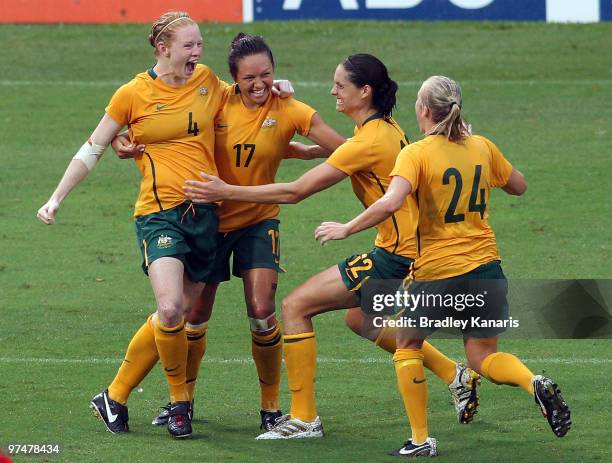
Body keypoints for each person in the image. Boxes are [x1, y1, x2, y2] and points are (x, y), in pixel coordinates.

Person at [184, 54, 481, 440]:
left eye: (340, 86)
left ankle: (305, 419)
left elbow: (294, 191)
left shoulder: (370, 141)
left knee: (295, 307)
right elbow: (334, 151)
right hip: (408, 249)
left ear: (365, 91)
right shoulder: (384, 129)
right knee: (361, 319)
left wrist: (226, 190)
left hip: (398, 256)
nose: (333, 91)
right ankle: (454, 374)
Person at [36, 12, 284, 439]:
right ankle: (180, 404)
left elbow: (246, 99)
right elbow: (92, 147)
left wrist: (278, 88)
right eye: (189, 45)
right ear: (163, 48)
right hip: (158, 214)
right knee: (170, 307)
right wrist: (56, 198)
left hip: (205, 216)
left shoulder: (207, 81)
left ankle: (113, 397)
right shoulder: (132, 93)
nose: (197, 52)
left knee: (181, 314)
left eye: (200, 44)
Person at [314, 75, 571, 456]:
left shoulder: (416, 154)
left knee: (406, 346)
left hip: (435, 271)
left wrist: (347, 227)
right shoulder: (482, 147)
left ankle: (419, 439)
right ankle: (532, 380)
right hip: (486, 267)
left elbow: (389, 203)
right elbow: (519, 186)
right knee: (483, 357)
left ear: (423, 111)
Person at [113, 32, 347, 431]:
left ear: (275, 73)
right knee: (195, 314)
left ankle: (271, 407)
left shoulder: (289, 107)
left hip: (259, 221)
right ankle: (182, 402)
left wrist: (305, 149)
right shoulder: (215, 103)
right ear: (233, 80)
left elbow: (343, 148)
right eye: (249, 78)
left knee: (261, 310)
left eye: (266, 75)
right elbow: (173, 132)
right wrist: (125, 140)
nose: (259, 85)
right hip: (211, 222)